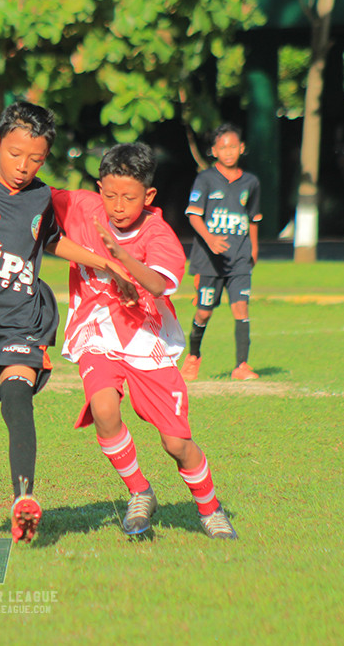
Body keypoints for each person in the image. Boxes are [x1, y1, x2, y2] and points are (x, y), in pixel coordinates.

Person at [0, 101, 135, 544]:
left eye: (35, 159)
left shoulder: (40, 196)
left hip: (19, 320)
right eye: (16, 154)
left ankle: (23, 500)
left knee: (19, 394)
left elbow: (52, 240)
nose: (24, 167)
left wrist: (104, 263)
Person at [50, 142, 238, 539]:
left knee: (176, 443)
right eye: (111, 194)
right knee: (103, 409)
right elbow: (30, 193)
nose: (118, 206)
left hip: (146, 342)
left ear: (148, 196)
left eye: (129, 197)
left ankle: (209, 507)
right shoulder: (82, 206)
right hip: (96, 334)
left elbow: (156, 284)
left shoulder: (159, 234)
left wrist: (120, 255)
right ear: (99, 187)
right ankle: (140, 492)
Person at [179, 123, 262, 382]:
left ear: (242, 148)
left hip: (239, 258)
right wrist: (210, 238)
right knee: (204, 312)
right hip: (209, 261)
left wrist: (254, 247)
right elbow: (194, 216)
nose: (228, 151)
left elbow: (253, 219)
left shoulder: (251, 182)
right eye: (223, 147)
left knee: (241, 308)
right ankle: (193, 356)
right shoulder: (205, 179)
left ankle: (242, 365)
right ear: (214, 150)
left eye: (233, 146)